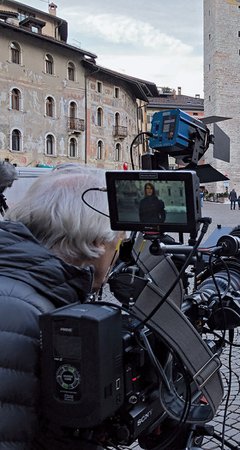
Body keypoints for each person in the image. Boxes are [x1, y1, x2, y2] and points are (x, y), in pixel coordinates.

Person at [0, 165, 124, 449]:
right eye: (119, 241)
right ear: (97, 241)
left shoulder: (36, 288)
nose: (118, 253)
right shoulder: (16, 313)